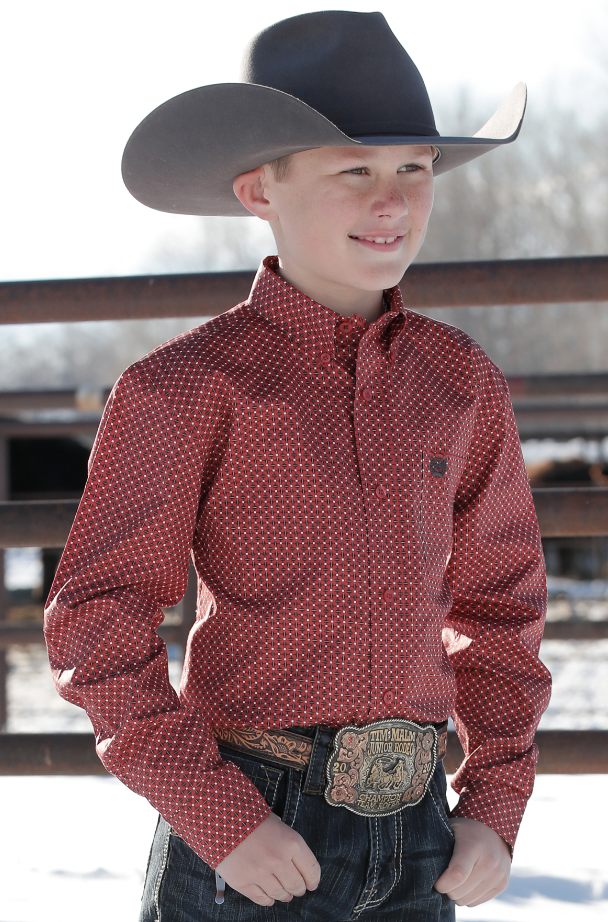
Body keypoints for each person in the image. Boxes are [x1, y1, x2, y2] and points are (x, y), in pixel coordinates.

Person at [44, 10, 551, 921]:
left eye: (413, 169)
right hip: (251, 824)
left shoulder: (461, 380)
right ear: (258, 192)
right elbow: (97, 618)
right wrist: (217, 815)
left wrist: (495, 802)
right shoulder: (184, 386)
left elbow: (501, 607)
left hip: (421, 835)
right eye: (353, 170)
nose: (391, 200)